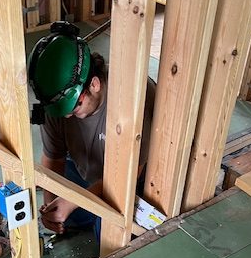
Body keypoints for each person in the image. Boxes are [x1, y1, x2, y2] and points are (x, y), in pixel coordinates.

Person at [28, 21, 156, 237]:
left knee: (108, 235)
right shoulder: (56, 97)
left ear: (94, 84)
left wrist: (73, 201)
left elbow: (132, 171)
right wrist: (51, 207)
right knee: (70, 214)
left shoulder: (132, 97)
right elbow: (53, 158)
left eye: (74, 107)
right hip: (88, 167)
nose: (66, 116)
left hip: (133, 176)